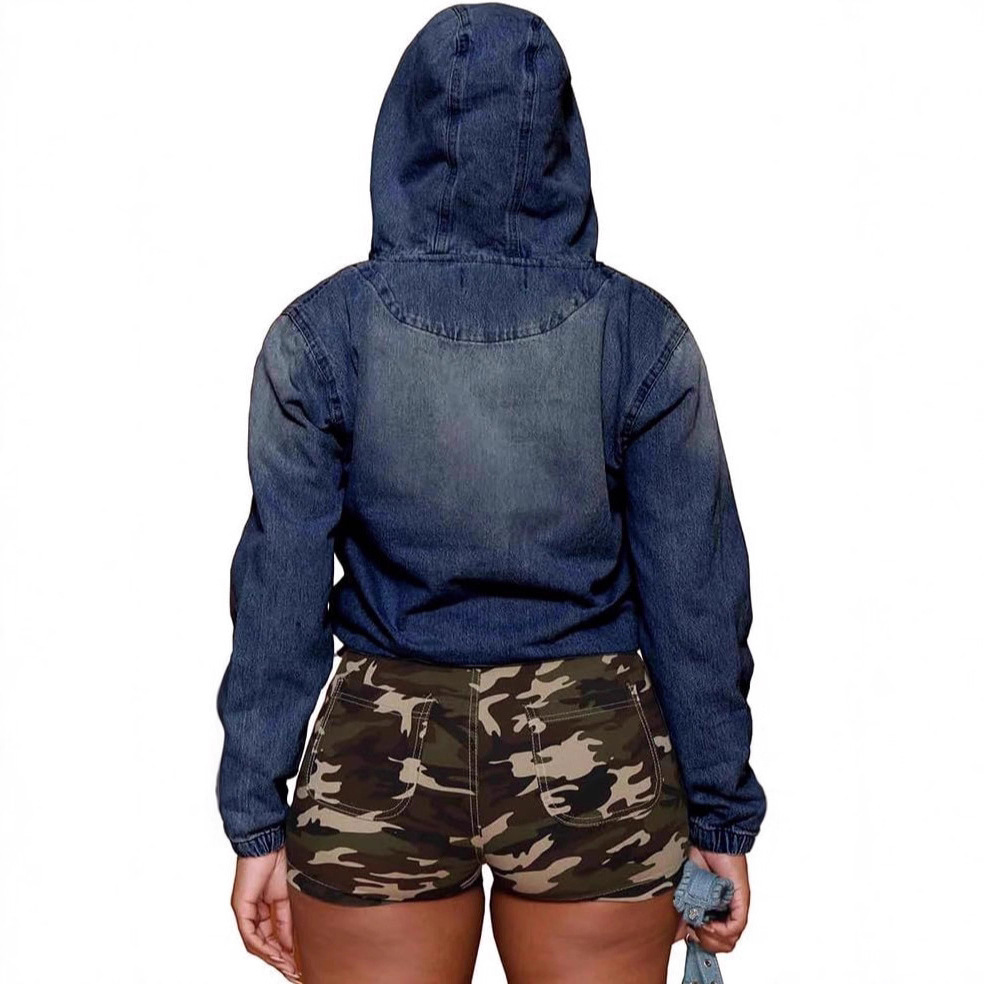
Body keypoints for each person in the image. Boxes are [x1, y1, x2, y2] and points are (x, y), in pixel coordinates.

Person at [215, 3, 766, 982]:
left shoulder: (318, 333)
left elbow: (277, 592)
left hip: (378, 752)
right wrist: (720, 814)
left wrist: (257, 817)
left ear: (399, 131)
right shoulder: (642, 332)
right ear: (562, 140)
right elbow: (695, 596)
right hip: (593, 752)